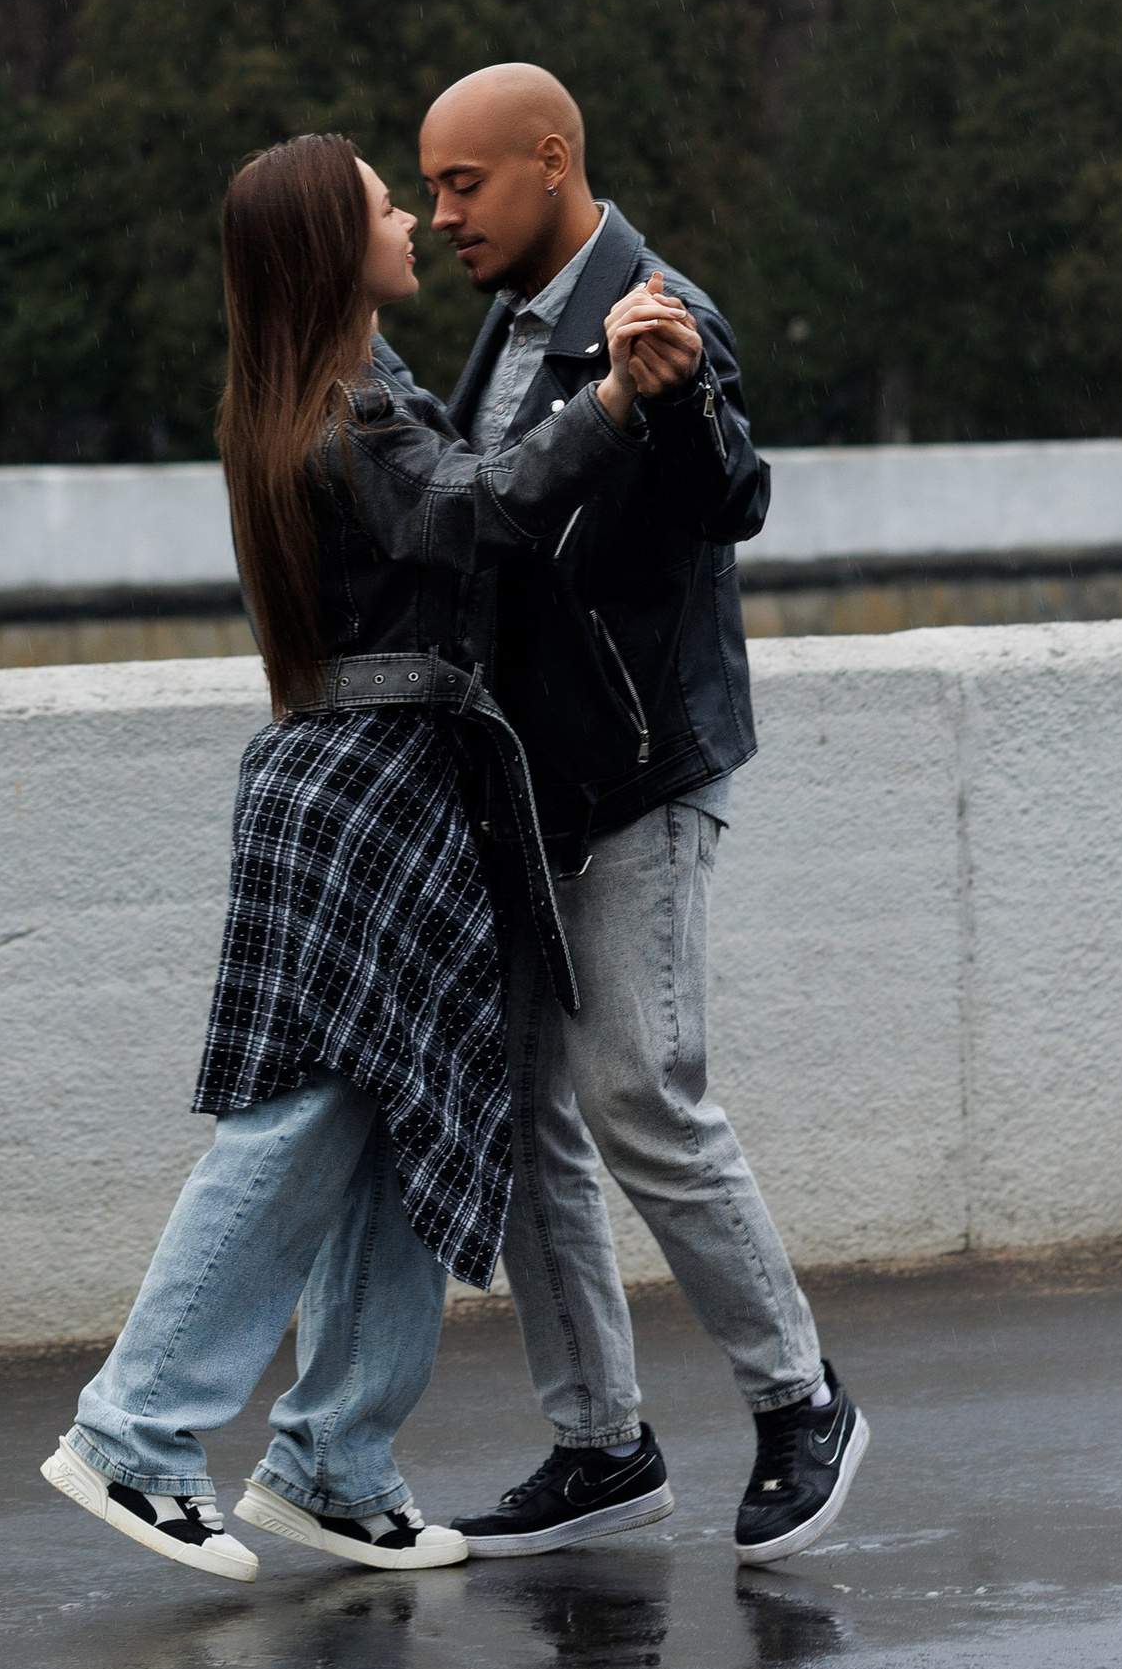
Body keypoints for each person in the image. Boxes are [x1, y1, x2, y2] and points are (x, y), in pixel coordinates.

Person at [39, 130, 698, 1583]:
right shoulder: (344, 418)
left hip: (399, 787)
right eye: (384, 206)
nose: (412, 216)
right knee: (307, 1122)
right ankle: (135, 1435)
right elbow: (477, 516)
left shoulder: (366, 392)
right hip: (364, 795)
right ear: (333, 254)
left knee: (409, 1118)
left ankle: (336, 1461)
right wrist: (604, 401)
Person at [416, 60, 869, 1569]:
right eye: (426, 187)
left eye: (464, 183)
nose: (440, 215)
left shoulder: (658, 303)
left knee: (638, 1092)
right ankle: (600, 1446)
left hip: (641, 774)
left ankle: (803, 1402)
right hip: (527, 786)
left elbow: (731, 498)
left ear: (552, 161)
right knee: (532, 1114)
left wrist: (662, 398)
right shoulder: (511, 328)